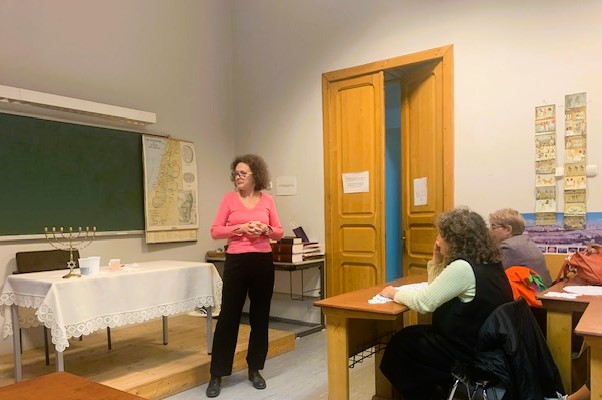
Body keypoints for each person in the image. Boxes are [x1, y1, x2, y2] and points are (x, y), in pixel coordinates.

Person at [378, 206, 514, 400]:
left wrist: (393, 293)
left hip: (467, 351)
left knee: (400, 346)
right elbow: (436, 289)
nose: (437, 239)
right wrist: (437, 260)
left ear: (454, 239)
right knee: (409, 337)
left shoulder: (462, 268)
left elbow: (424, 302)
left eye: (441, 235)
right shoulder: (489, 262)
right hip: (486, 345)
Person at [206, 154, 284, 398]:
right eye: (236, 173)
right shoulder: (228, 200)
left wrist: (266, 229)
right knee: (228, 316)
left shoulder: (268, 200)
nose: (237, 177)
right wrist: (239, 228)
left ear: (255, 176)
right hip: (237, 262)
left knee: (260, 317)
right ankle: (217, 373)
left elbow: (279, 232)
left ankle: (254, 369)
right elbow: (215, 231)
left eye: (243, 173)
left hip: (262, 262)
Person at [489, 208, 553, 287]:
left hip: (529, 293)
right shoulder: (527, 242)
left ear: (508, 230)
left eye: (493, 227)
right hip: (543, 290)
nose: (490, 231)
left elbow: (493, 276)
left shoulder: (507, 247)